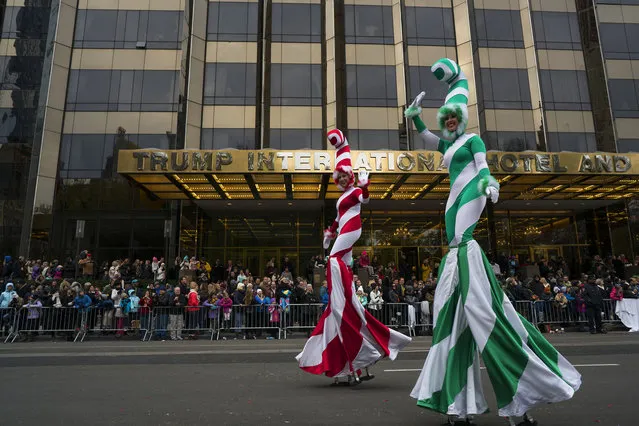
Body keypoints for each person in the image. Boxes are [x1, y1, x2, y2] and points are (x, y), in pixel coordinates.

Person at [405, 58, 580, 425]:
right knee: (455, 328)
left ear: (462, 118)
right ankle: (459, 406)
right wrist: (416, 116)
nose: (450, 121)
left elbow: (484, 168)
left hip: (466, 243)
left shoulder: (472, 141)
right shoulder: (450, 148)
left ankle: (519, 400)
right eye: (446, 118)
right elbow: (428, 138)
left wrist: (489, 183)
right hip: (454, 246)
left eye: (454, 116)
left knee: (490, 322)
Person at [296, 129, 411, 385]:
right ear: (339, 179)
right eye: (341, 177)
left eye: (346, 176)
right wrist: (328, 232)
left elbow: (366, 199)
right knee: (339, 261)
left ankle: (342, 293)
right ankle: (345, 295)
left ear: (350, 177)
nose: (344, 179)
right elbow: (336, 220)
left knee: (333, 260)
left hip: (353, 229)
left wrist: (365, 184)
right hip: (344, 232)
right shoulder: (341, 197)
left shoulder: (355, 192)